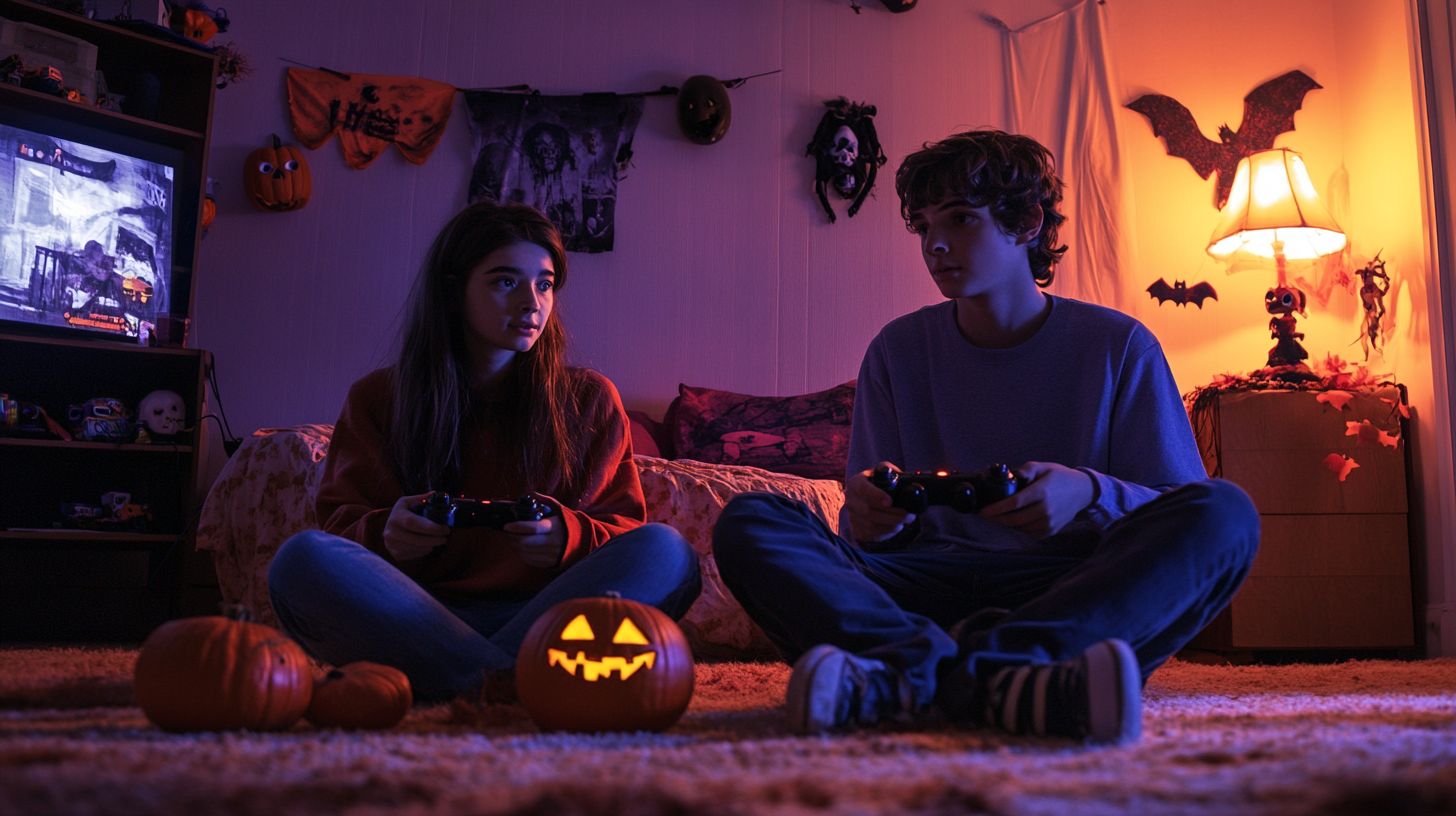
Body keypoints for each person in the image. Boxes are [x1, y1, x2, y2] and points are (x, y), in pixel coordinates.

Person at [712, 130, 1259, 745]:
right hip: (916, 590)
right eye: (922, 227)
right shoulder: (897, 351)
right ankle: (1005, 682)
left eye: (960, 220)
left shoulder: (1119, 346)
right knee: (752, 519)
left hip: (1062, 590)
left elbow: (1176, 508)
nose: (934, 244)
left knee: (1226, 512)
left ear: (1026, 222)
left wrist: (1087, 493)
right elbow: (864, 541)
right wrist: (872, 520)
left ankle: (918, 679)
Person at [269, 200, 701, 703]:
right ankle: (512, 685)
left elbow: (625, 531)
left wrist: (569, 536)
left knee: (668, 551)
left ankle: (469, 685)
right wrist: (387, 532)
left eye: (544, 284)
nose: (532, 303)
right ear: (454, 291)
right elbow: (340, 530)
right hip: (415, 615)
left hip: (550, 615)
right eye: (505, 281)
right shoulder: (379, 398)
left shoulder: (589, 400)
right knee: (300, 559)